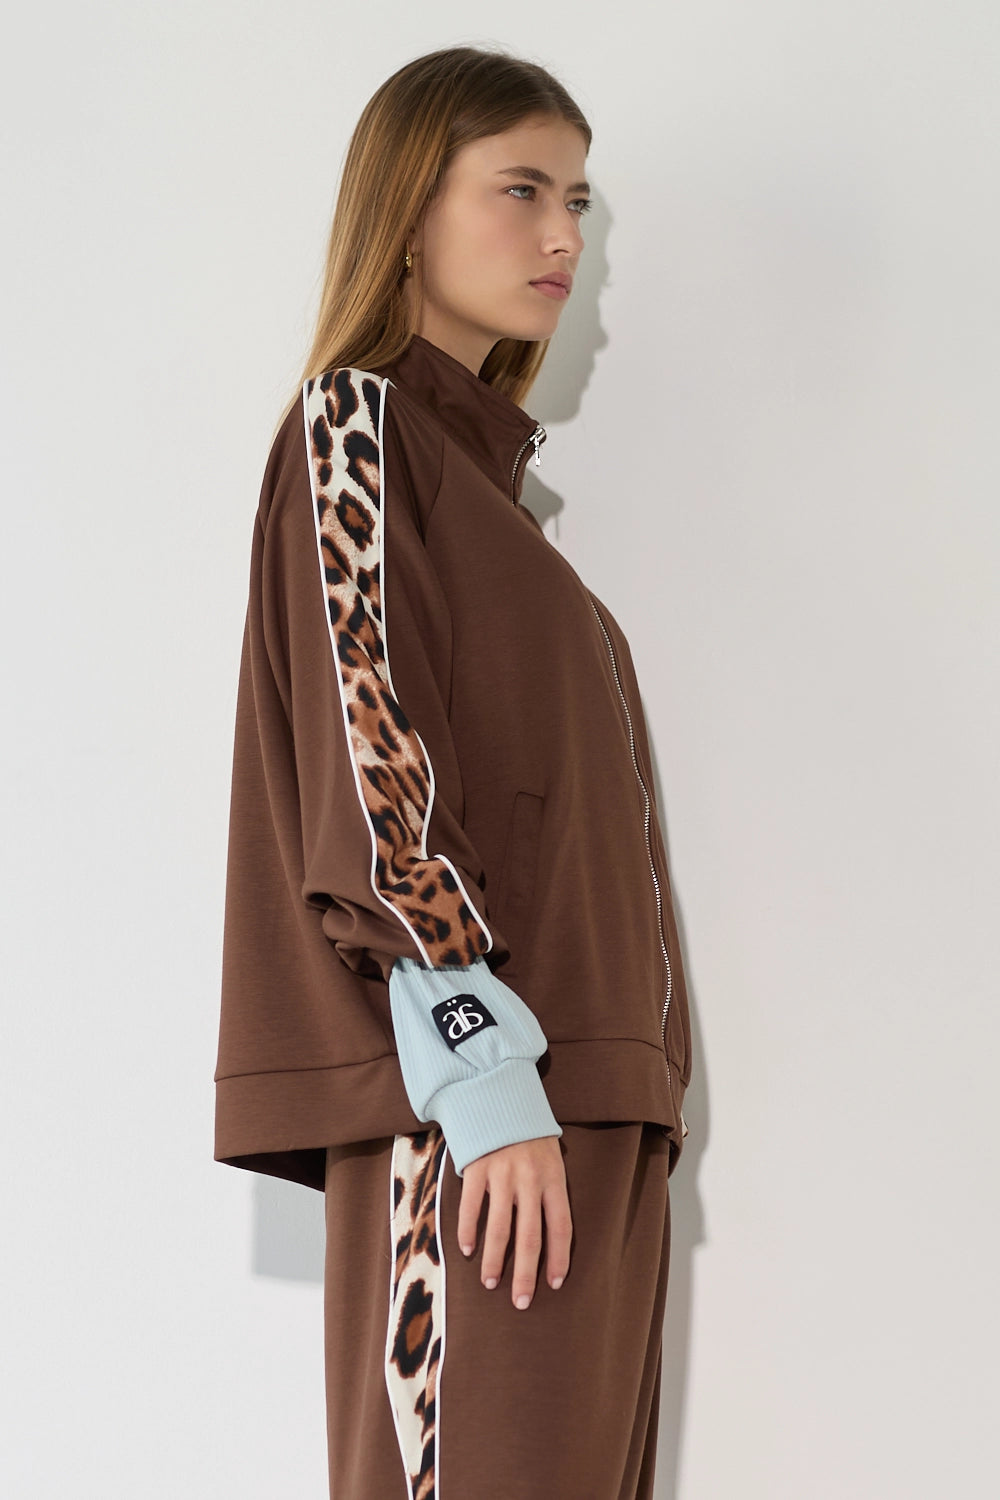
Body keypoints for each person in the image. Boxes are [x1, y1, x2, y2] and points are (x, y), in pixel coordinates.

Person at [214, 44, 692, 1500]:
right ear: (409, 209)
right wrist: (486, 1081)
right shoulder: (357, 430)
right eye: (522, 190)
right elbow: (375, 772)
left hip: (587, 1109)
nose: (564, 236)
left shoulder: (494, 504)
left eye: (579, 202)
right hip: (485, 1113)